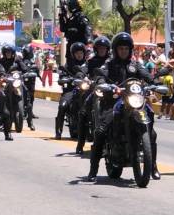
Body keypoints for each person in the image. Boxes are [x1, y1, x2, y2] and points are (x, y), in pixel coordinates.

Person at [87, 32, 160, 181]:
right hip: (114, 102)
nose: (124, 51)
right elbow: (100, 76)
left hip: (134, 102)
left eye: (126, 49)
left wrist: (155, 84)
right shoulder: (109, 65)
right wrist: (103, 84)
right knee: (100, 131)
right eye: (121, 49)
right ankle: (93, 169)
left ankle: (152, 166)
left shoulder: (135, 65)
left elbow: (147, 76)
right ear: (115, 50)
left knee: (152, 134)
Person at [76, 36, 111, 153]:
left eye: (104, 48)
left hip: (109, 91)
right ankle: (80, 143)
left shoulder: (111, 61)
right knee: (83, 112)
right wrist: (81, 75)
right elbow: (83, 69)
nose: (102, 50)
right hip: (94, 90)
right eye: (100, 48)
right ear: (96, 49)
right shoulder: (91, 61)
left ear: (108, 49)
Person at [55, 42, 88, 139]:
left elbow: (94, 74)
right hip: (71, 90)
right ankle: (58, 131)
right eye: (77, 53)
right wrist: (65, 79)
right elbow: (62, 76)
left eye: (81, 52)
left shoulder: (87, 64)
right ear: (73, 54)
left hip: (85, 90)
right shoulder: (68, 65)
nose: (79, 54)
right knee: (62, 106)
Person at [59, 0, 93, 66]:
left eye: (68, 6)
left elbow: (87, 28)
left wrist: (88, 42)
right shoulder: (72, 18)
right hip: (71, 49)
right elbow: (63, 29)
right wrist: (62, 16)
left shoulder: (81, 17)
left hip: (79, 50)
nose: (68, 8)